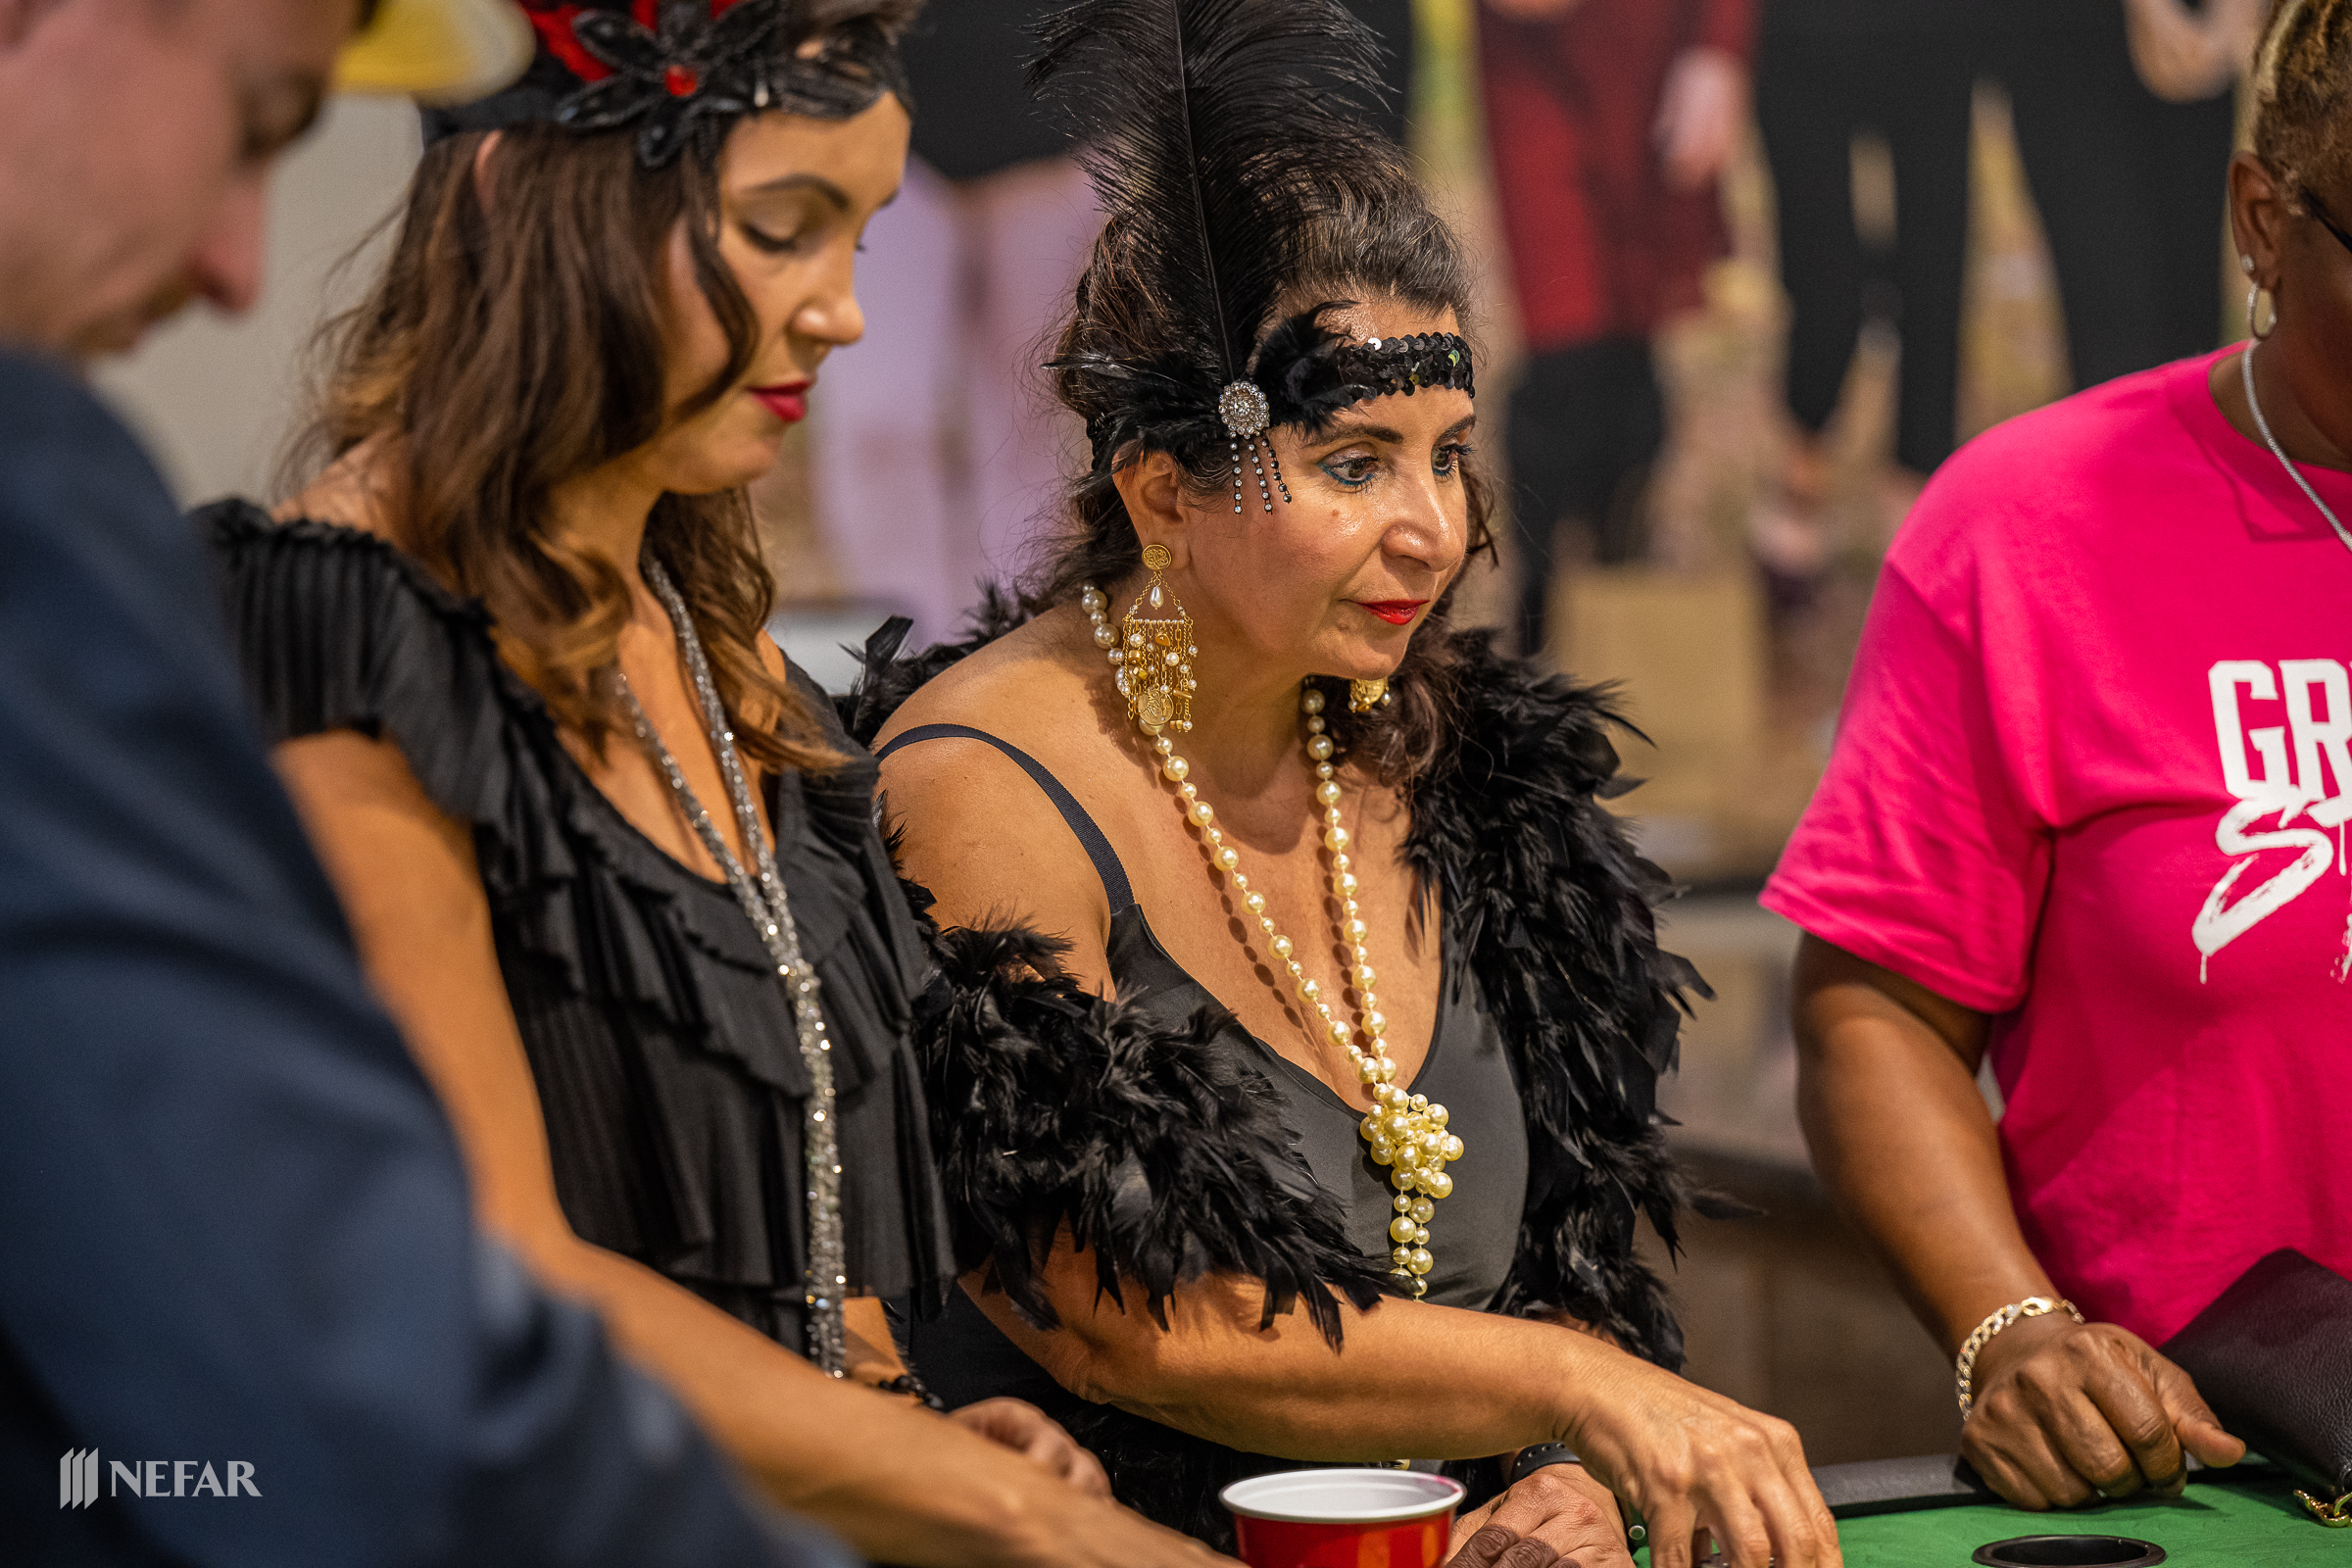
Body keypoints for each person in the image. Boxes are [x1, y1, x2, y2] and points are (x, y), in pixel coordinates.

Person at [200, 3, 1220, 1564]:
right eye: (782, 229)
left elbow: (799, 1221)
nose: (843, 313)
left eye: (858, 241)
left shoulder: (717, 641)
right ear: (526, 195)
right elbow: (495, 1267)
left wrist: (896, 1420)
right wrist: (995, 1508)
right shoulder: (338, 623)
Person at [862, 5, 1844, 1566]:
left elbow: (1573, 1256)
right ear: (1162, 494)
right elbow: (1129, 1322)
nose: (1434, 529)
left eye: (1448, 454)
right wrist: (1577, 1393)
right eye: (1354, 463)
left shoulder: (1469, 764)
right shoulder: (982, 785)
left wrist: (1562, 1474)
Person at [0, 0, 843, 1562]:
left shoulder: (727, 658)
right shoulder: (153, 545)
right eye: (256, 123)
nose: (236, 265)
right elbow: (309, 1313)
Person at [1763, 0, 2352, 1514]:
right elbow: (1876, 1013)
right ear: (2263, 220)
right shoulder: (2033, 531)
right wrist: (2012, 1328)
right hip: (2206, 1481)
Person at [1477, 0, 1754, 657]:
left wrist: (1720, 48)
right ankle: (1540, 607)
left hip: (1657, 47)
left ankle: (1616, 581)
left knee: (1633, 339)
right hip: (1531, 55)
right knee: (1563, 342)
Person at [1749, 0, 1976, 570]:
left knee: (1935, 260)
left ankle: (1916, 488)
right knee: (1819, 268)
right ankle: (1804, 465)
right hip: (1796, 33)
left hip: (1934, 31)